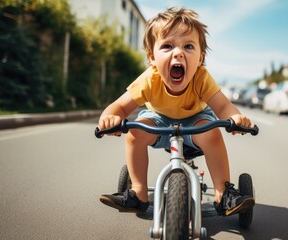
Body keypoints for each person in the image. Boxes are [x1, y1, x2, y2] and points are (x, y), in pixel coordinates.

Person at [98, 7, 255, 217]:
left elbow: (222, 106)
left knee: (212, 134)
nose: (178, 52)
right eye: (167, 46)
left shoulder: (201, 77)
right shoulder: (149, 79)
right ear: (152, 57)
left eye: (188, 46)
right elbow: (119, 107)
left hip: (196, 120)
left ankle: (222, 192)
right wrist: (109, 118)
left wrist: (235, 118)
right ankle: (138, 192)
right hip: (158, 120)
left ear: (200, 58)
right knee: (134, 135)